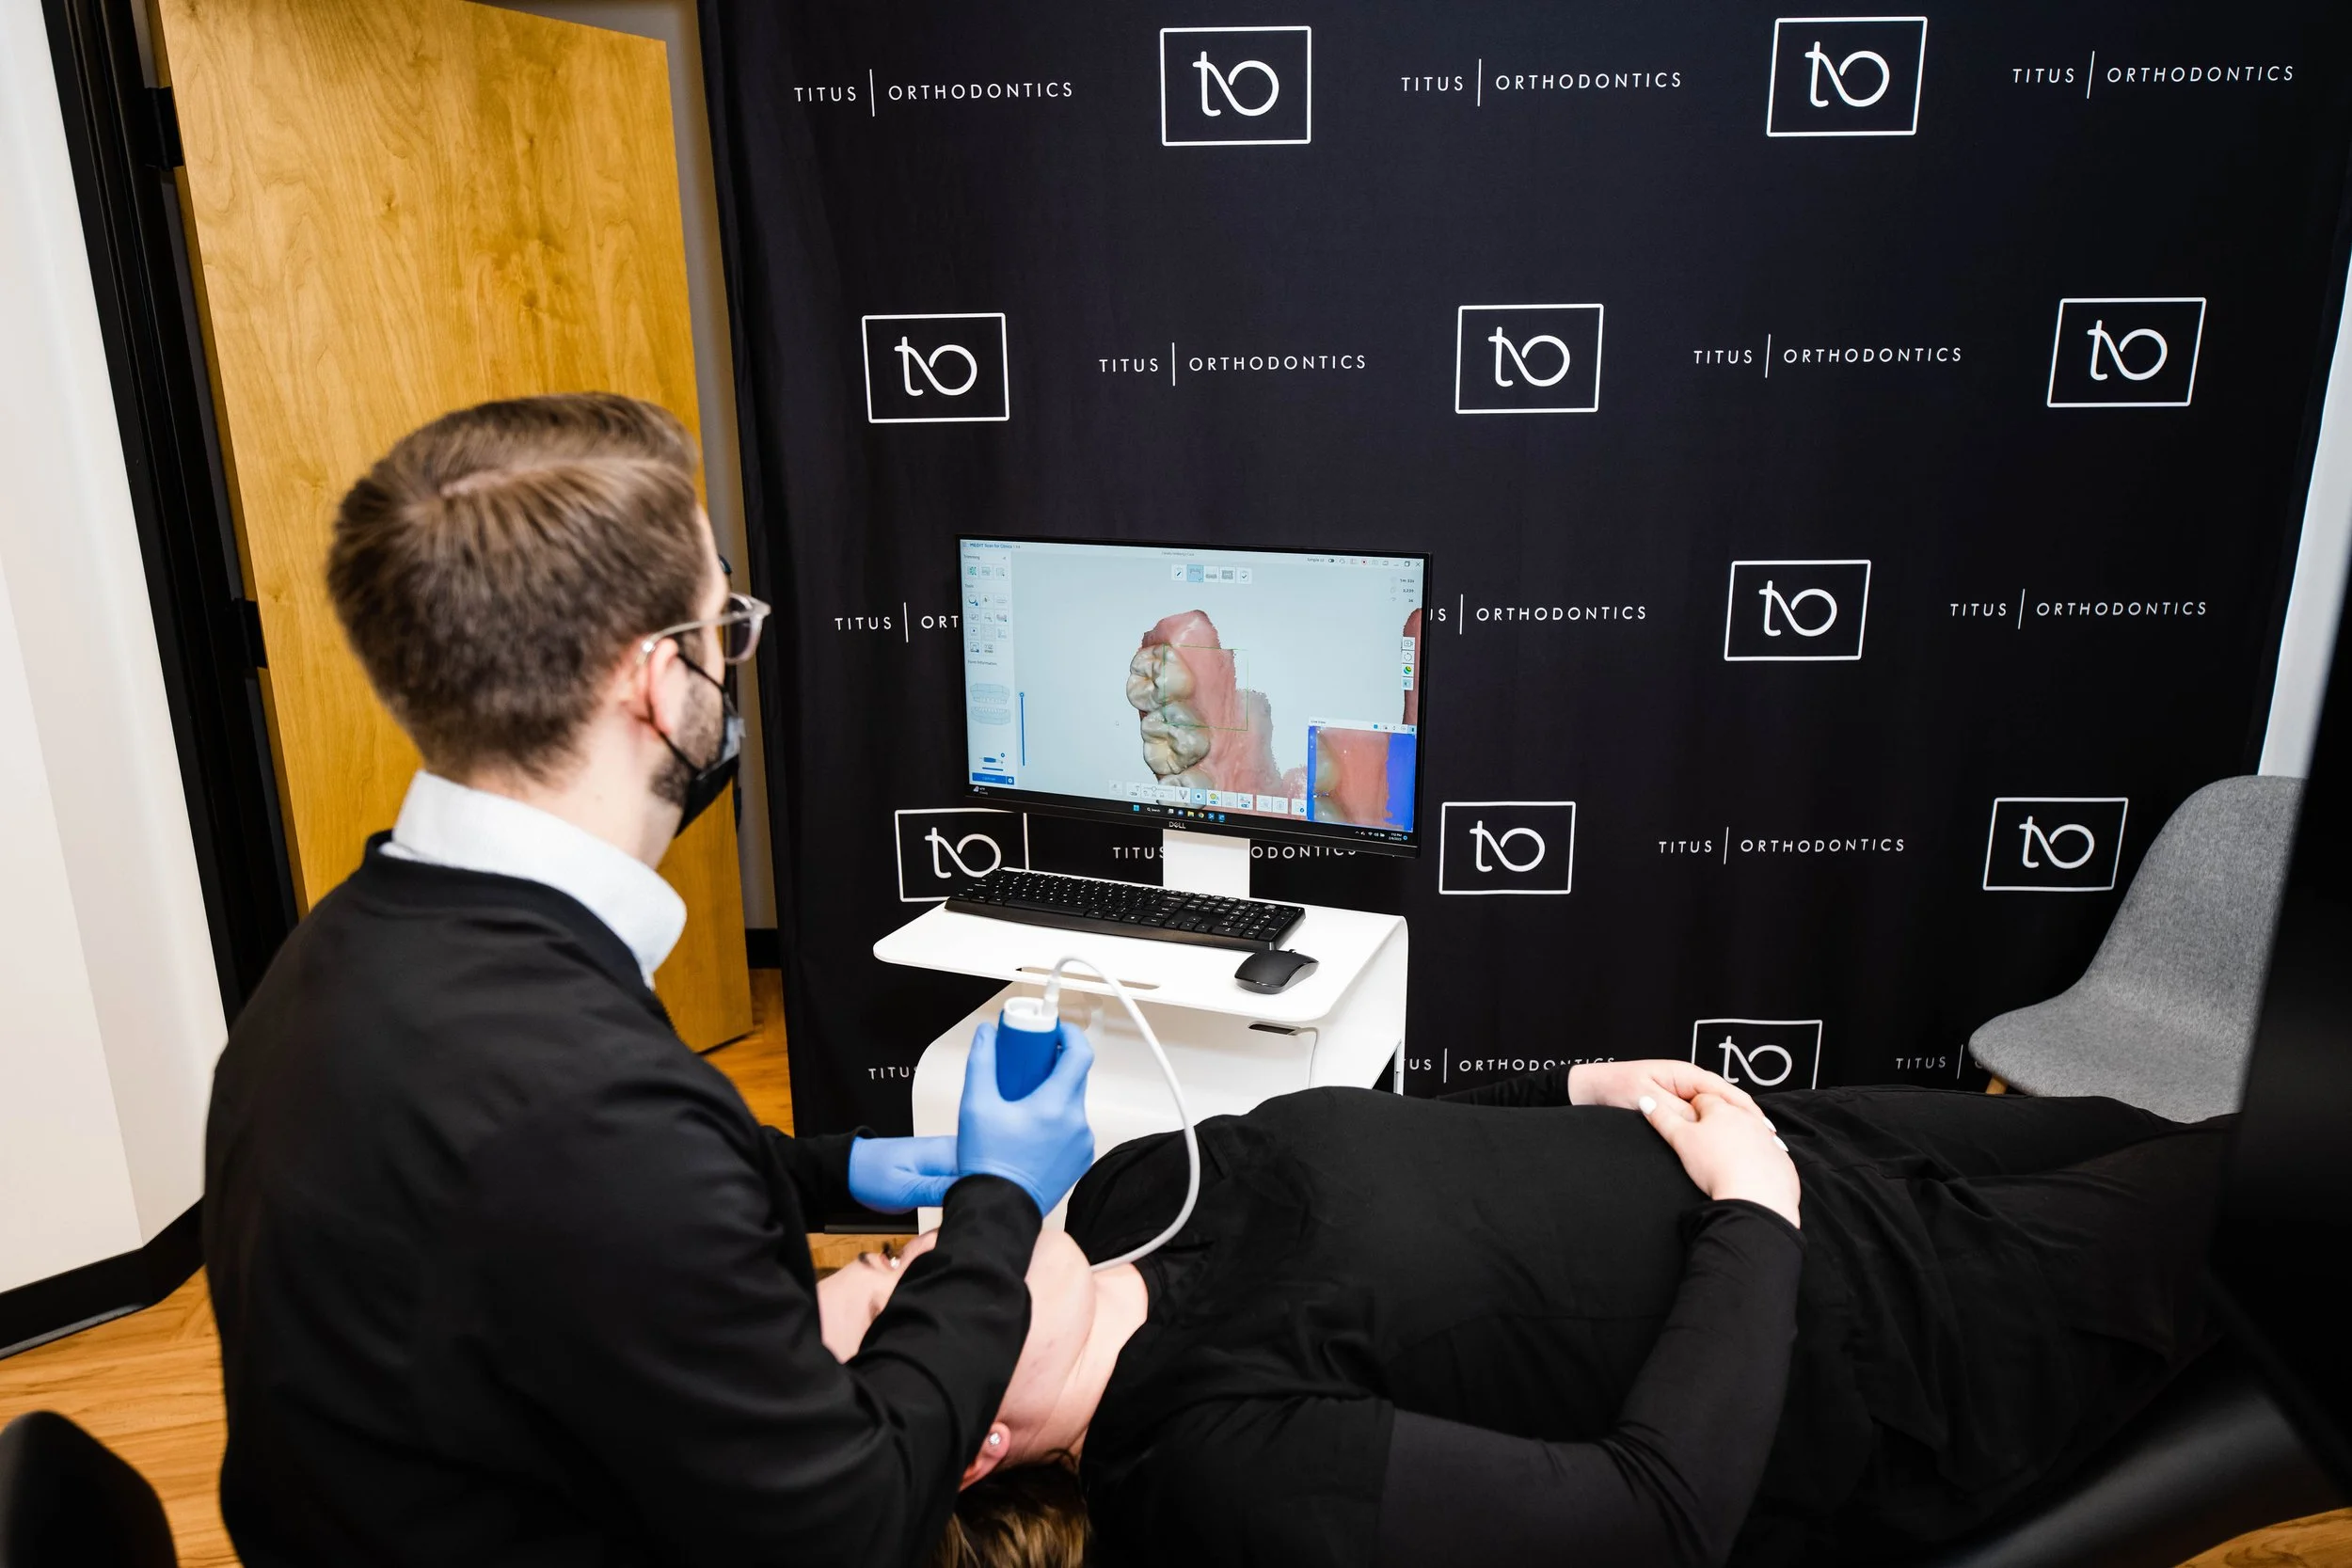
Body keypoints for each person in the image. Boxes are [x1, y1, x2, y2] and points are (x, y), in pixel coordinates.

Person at [203, 393, 1097, 1568]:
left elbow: (539, 1218)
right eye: (722, 625)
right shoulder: (590, 1110)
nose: (731, 661)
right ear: (656, 678)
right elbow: (851, 1520)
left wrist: (827, 1168)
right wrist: (997, 1206)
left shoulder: (345, 953)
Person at [822, 1063, 2227, 1568]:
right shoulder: (1217, 1462)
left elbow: (1382, 1157)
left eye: (891, 1250)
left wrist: (1574, 1088)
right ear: (976, 1435)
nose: (947, 1229)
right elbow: (1656, 1513)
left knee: (2186, 1127)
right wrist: (1751, 1214)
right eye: (917, 1290)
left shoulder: (1133, 1192)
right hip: (1900, 1333)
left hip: (1813, 1156)